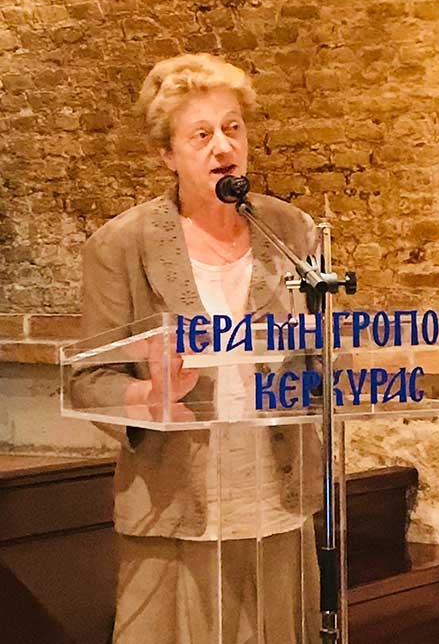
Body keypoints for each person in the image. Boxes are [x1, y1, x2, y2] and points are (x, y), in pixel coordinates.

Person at [75, 53, 322, 644]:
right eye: (202, 134)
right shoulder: (120, 245)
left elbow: (318, 356)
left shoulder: (291, 232)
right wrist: (150, 394)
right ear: (169, 154)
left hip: (277, 494)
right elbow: (87, 381)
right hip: (172, 501)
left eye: (233, 128)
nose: (223, 146)